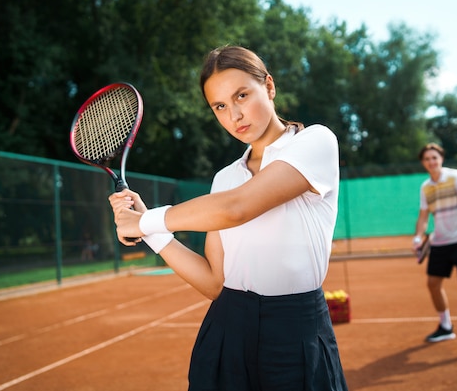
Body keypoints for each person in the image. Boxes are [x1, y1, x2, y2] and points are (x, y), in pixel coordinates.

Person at [108, 45, 348, 390]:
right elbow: (214, 283)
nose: (234, 115)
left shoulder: (315, 142)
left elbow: (237, 208)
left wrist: (146, 222)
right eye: (220, 106)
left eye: (242, 95)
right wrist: (151, 232)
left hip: (296, 330)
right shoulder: (224, 179)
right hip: (227, 330)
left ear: (269, 86)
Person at [411, 143, 457, 360]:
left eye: (434, 157)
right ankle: (446, 327)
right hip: (440, 242)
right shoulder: (425, 187)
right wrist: (418, 236)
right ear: (423, 163)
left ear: (441, 158)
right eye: (427, 159)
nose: (431, 162)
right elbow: (424, 216)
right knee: (433, 284)